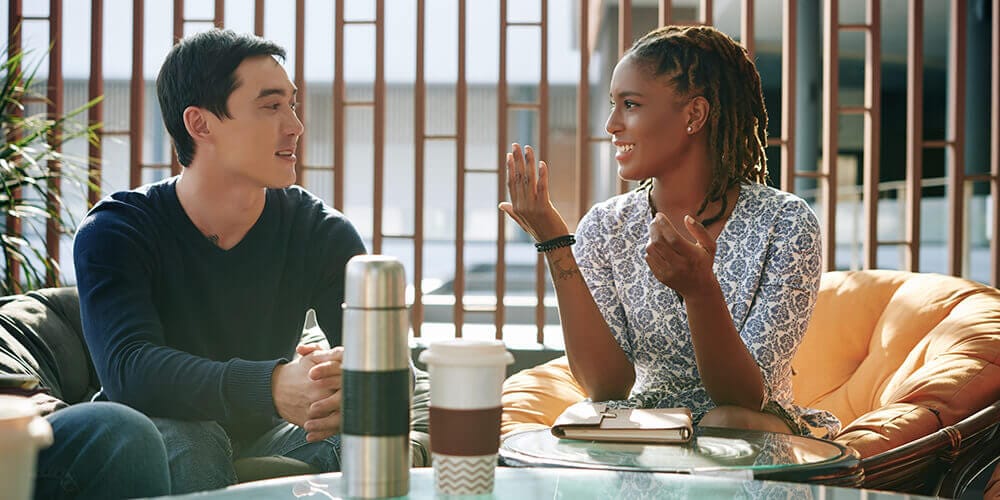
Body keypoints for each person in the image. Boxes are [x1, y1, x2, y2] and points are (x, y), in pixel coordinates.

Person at [73, 29, 378, 494]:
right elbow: (129, 370)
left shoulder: (319, 231)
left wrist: (343, 385)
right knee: (194, 440)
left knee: (361, 436)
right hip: (152, 436)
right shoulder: (117, 230)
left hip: (271, 433)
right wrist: (272, 385)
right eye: (271, 106)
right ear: (200, 124)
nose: (295, 126)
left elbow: (383, 369)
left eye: (292, 105)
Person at [500, 25, 840, 437]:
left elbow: (744, 397)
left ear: (694, 115)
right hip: (649, 436)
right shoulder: (606, 226)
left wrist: (700, 291)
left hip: (752, 437)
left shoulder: (786, 223)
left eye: (630, 104)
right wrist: (555, 244)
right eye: (613, 105)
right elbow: (606, 387)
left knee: (725, 423)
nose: (611, 124)